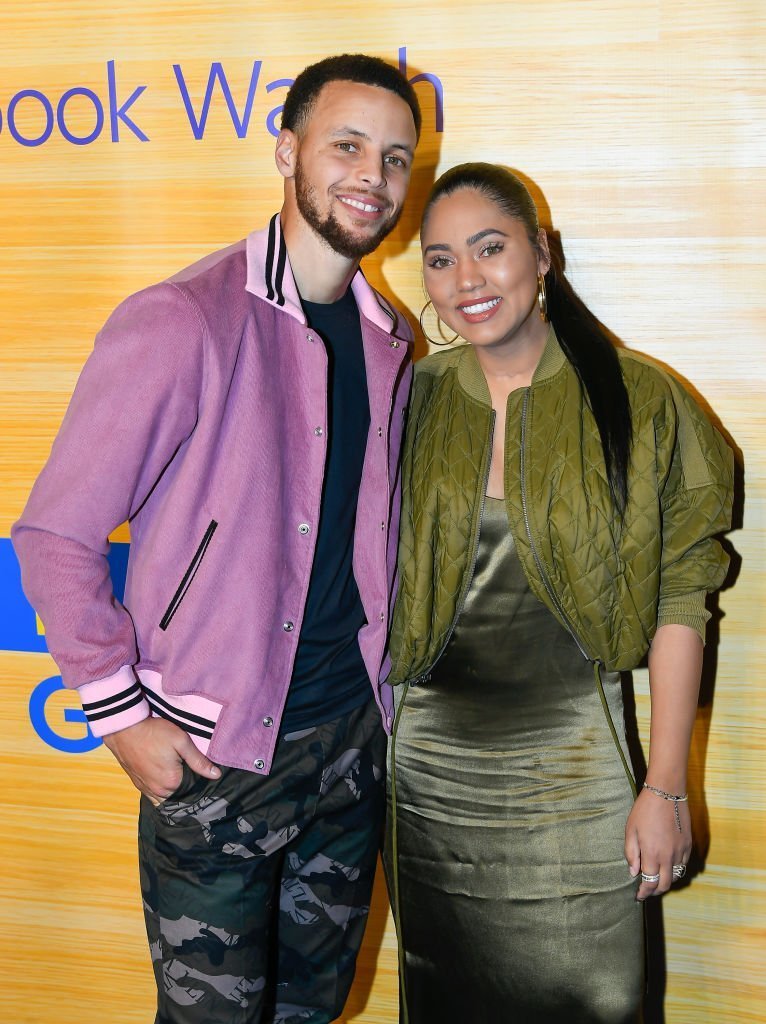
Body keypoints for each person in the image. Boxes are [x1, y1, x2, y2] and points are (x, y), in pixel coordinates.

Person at [13, 54, 420, 1024]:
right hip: (214, 762)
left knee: (312, 1014)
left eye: (396, 157)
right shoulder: (183, 319)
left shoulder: (390, 340)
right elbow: (54, 533)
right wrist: (120, 717)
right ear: (287, 151)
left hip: (349, 750)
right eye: (348, 145)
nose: (373, 174)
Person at [384, 163, 733, 1023]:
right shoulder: (408, 400)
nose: (466, 279)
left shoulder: (640, 397)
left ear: (542, 254)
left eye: (491, 248)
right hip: (428, 775)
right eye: (439, 259)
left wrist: (666, 788)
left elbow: (684, 598)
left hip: (581, 770)